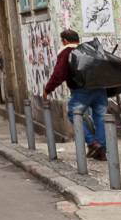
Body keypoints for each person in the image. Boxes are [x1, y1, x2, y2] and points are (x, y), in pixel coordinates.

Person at [43, 29, 108, 161]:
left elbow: (59, 74)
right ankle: (101, 148)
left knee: (74, 114)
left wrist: (48, 89)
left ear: (65, 41)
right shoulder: (89, 49)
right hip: (100, 89)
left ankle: (92, 143)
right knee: (100, 118)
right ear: (77, 39)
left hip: (82, 91)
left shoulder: (67, 52)